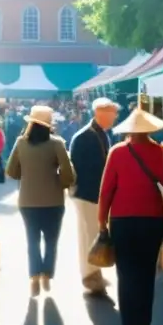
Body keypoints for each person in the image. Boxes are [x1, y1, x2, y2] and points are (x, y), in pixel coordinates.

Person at [98, 108, 163, 325]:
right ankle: (142, 324)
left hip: (122, 222)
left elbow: (106, 190)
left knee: (126, 273)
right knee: (146, 272)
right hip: (152, 222)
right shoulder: (161, 153)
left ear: (129, 130)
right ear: (150, 130)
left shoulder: (117, 152)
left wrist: (101, 222)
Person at [6, 105, 75, 296]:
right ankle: (47, 274)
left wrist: (27, 174)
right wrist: (60, 182)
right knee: (52, 241)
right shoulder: (57, 143)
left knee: (32, 240)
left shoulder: (20, 142)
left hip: (27, 200)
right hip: (54, 201)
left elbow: (11, 171)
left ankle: (34, 276)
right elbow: (69, 174)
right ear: (49, 124)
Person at [69, 97, 118, 295]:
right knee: (89, 235)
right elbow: (86, 168)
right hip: (87, 193)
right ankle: (90, 277)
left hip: (92, 193)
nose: (114, 117)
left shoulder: (99, 134)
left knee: (91, 233)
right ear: (101, 113)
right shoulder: (85, 136)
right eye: (112, 113)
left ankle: (93, 274)